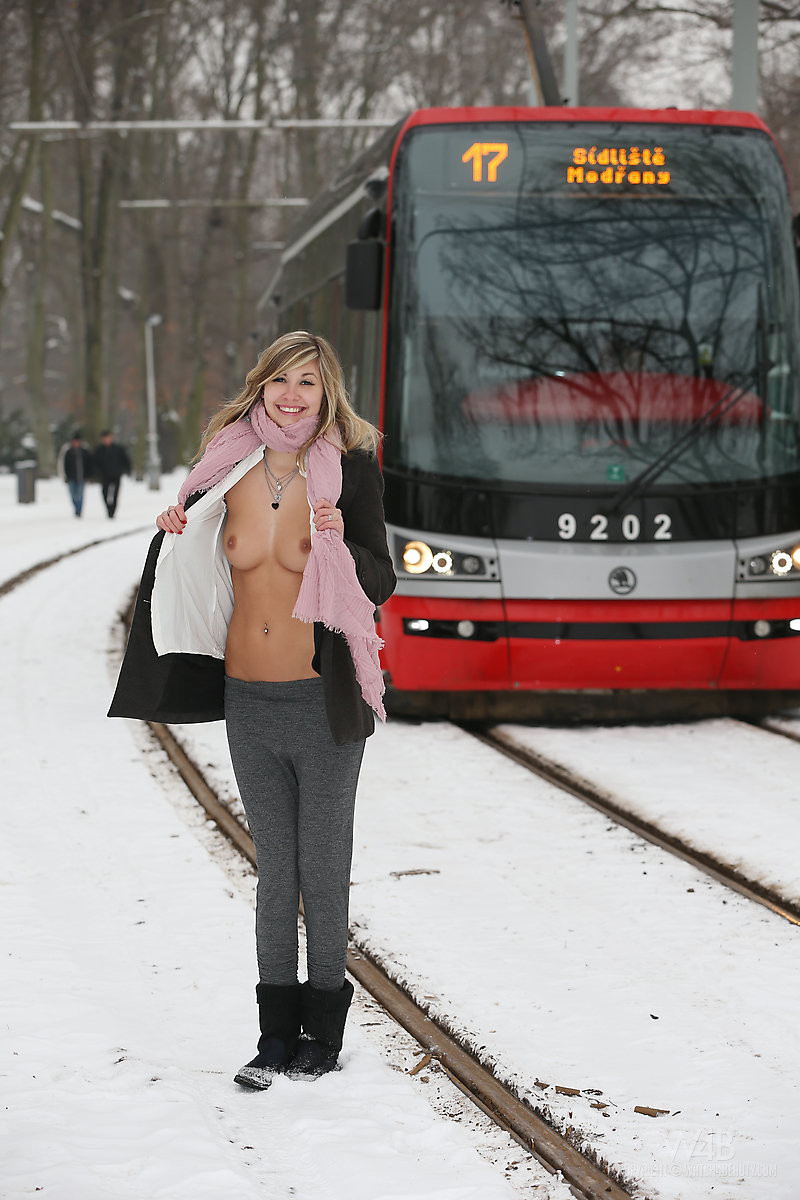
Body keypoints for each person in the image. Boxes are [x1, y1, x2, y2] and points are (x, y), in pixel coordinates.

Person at [108, 331, 396, 1090]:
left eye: (307, 380)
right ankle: (274, 1035)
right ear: (260, 386)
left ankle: (323, 1033)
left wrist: (342, 544)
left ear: (325, 390)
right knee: (275, 871)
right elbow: (194, 566)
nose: (292, 394)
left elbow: (382, 580)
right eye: (279, 380)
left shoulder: (348, 470)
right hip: (248, 698)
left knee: (322, 869)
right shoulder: (226, 466)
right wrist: (173, 536)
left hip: (321, 700)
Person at [93, 430, 131, 518]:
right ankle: (108, 509)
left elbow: (125, 460)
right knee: (105, 493)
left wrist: (126, 470)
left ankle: (112, 511)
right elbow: (95, 463)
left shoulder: (118, 449)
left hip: (116, 475)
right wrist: (97, 473)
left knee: (115, 494)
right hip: (104, 476)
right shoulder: (99, 450)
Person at [62, 430, 94, 517]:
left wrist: (89, 475)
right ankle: (76, 508)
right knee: (72, 494)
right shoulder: (69, 452)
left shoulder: (84, 452)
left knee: (80, 495)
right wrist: (66, 476)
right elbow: (65, 465)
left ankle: (79, 511)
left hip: (82, 477)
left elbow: (89, 464)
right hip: (71, 477)